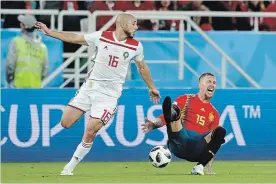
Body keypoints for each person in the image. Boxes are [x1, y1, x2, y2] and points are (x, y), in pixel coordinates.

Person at [35, 12, 161, 176]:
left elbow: (142, 68)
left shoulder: (136, 46)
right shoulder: (101, 37)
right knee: (65, 123)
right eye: (134, 23)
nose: (136, 27)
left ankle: (69, 168)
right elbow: (75, 38)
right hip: (90, 88)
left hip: (109, 97)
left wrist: (151, 87)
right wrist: (50, 32)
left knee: (90, 131)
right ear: (122, 24)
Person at [142, 72, 226, 175]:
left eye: (214, 82)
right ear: (200, 84)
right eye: (209, 81)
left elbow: (212, 143)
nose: (212, 84)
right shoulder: (186, 99)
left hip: (197, 148)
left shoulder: (214, 113)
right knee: (175, 112)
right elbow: (163, 118)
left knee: (220, 131)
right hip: (179, 141)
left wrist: (209, 168)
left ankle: (200, 167)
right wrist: (154, 124)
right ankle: (173, 113)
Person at [6, 14, 48, 88]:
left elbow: (10, 65)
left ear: (23, 27)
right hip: (36, 88)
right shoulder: (43, 47)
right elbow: (45, 70)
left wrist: (9, 80)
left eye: (21, 24)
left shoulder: (16, 42)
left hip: (18, 87)